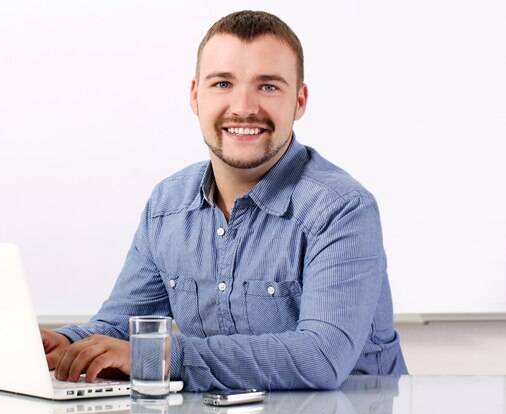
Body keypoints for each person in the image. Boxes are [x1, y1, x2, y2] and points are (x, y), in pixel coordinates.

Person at [40, 10, 407, 391]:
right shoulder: (168, 205)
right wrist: (63, 343)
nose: (244, 107)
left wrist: (163, 357)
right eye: (222, 84)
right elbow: (121, 328)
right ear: (195, 95)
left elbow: (320, 358)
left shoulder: (342, 208)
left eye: (268, 86)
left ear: (300, 101)